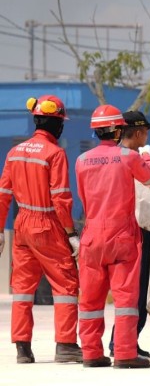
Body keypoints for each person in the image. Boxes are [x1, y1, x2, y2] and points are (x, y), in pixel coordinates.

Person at [0, 95, 82, 364]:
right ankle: (66, 345)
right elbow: (60, 198)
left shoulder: (14, 152)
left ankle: (22, 349)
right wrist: (71, 234)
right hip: (47, 224)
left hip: (22, 224)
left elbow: (3, 195)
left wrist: (1, 230)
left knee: (23, 288)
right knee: (66, 283)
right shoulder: (55, 153)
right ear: (56, 124)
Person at [76, 104, 150, 368]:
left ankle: (91, 353)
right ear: (118, 129)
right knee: (125, 300)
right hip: (121, 235)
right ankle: (124, 353)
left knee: (90, 299)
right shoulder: (129, 157)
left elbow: (83, 196)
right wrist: (147, 156)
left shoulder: (81, 160)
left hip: (91, 235)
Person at [109, 111, 150, 361]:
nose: (147, 135)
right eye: (146, 131)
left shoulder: (102, 157)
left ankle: (118, 343)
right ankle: (123, 344)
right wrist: (148, 155)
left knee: (114, 294)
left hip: (101, 230)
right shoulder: (132, 158)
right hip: (132, 230)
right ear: (138, 133)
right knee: (134, 292)